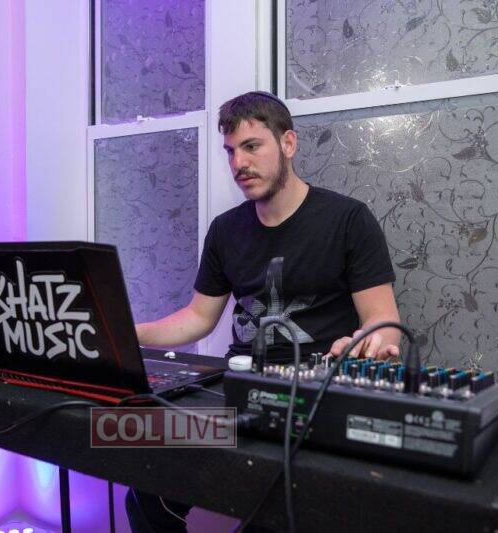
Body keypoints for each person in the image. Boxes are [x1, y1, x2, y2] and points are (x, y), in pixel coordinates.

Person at [125, 91, 400, 532]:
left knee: (270, 514)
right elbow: (198, 318)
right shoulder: (225, 230)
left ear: (288, 143)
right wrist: (125, 332)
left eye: (252, 146)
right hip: (236, 390)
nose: (239, 163)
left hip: (311, 395)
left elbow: (384, 323)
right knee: (146, 489)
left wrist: (368, 344)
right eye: (230, 151)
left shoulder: (348, 219)